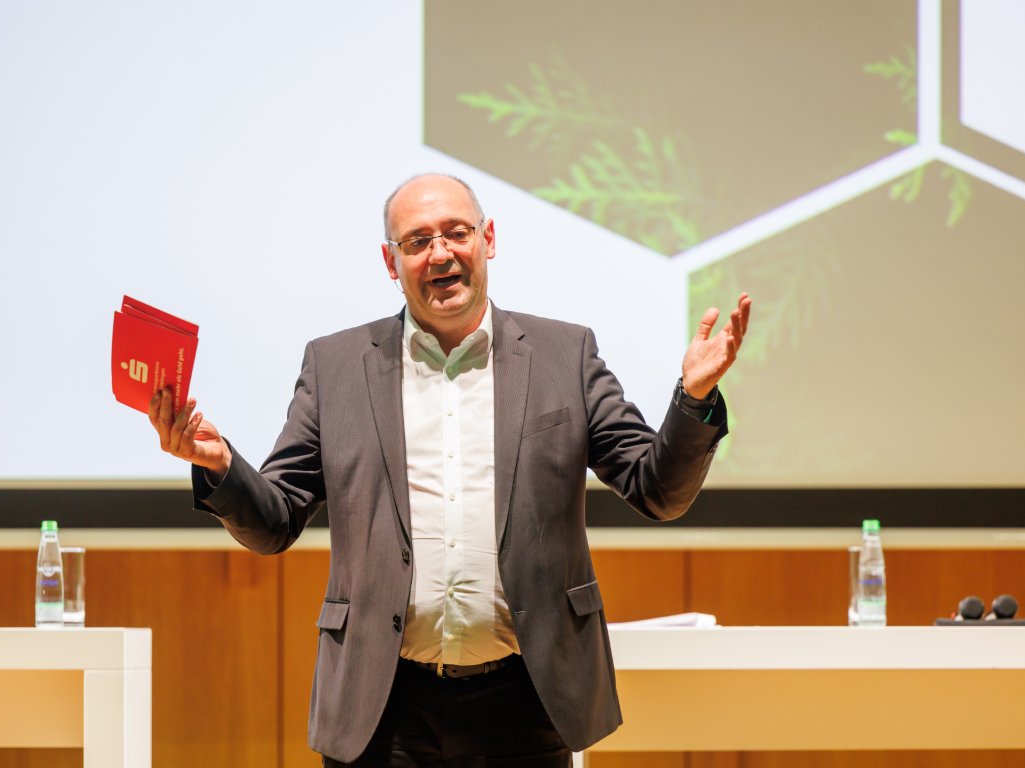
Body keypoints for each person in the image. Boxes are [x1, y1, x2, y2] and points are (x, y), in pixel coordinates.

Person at [150, 173, 751, 767]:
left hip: (526, 699)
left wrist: (694, 398)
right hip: (381, 706)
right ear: (391, 262)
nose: (440, 254)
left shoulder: (564, 356)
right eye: (417, 241)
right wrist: (221, 464)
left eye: (456, 233)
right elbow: (275, 521)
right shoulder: (335, 367)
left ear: (488, 239)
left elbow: (657, 491)